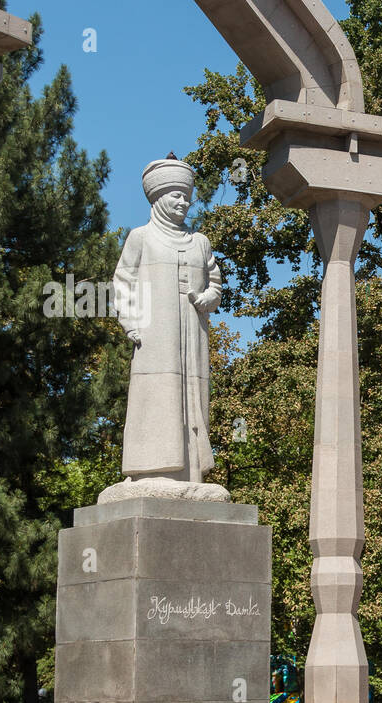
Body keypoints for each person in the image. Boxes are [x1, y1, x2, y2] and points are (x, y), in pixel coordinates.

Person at [111, 154, 223, 485]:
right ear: (159, 197)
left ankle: (189, 473)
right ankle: (151, 469)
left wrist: (207, 297)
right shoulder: (140, 237)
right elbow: (122, 282)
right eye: (176, 196)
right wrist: (130, 322)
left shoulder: (200, 242)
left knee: (192, 396)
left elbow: (215, 282)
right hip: (154, 333)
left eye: (187, 197)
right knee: (157, 393)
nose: (183, 203)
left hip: (192, 329)